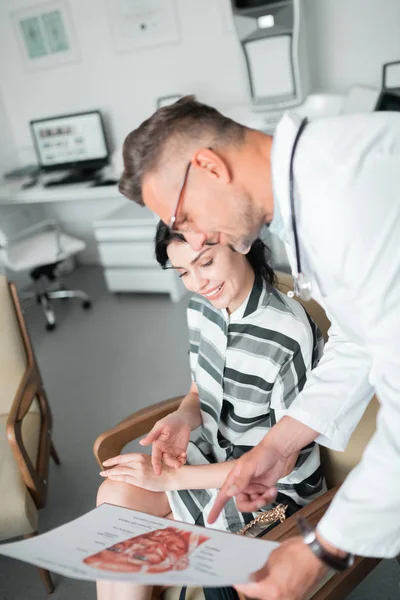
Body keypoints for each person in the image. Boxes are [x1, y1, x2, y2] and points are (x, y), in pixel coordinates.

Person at [118, 95, 400, 600]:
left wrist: (325, 548)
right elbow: (357, 338)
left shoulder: (347, 197)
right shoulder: (309, 191)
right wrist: (277, 445)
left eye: (185, 220)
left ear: (208, 166)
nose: (198, 238)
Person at [96, 223, 324, 600]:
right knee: (114, 498)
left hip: (275, 493)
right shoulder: (204, 307)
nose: (198, 282)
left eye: (206, 263)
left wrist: (171, 479)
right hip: (216, 462)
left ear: (241, 243)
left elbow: (280, 461)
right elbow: (197, 390)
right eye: (184, 272)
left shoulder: (288, 332)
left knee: (161, 546)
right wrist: (182, 419)